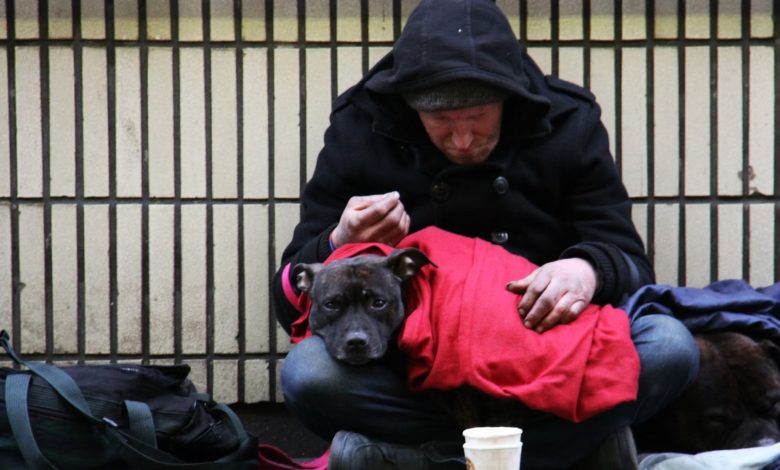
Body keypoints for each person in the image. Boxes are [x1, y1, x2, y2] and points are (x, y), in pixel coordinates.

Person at [271, 0, 699, 468]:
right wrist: (338, 241)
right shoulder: (362, 124)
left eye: (477, 119)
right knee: (308, 373)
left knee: (671, 346)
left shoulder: (568, 119)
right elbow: (290, 292)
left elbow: (630, 262)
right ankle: (562, 453)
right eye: (441, 123)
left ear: (508, 99)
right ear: (410, 108)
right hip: (413, 372)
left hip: (542, 355)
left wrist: (585, 269)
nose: (461, 141)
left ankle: (414, 460)